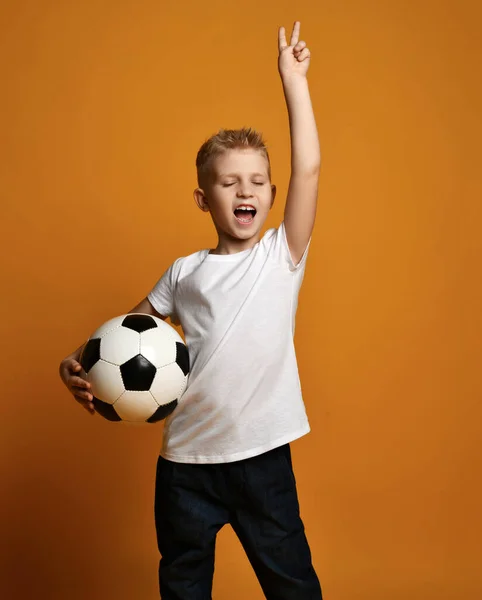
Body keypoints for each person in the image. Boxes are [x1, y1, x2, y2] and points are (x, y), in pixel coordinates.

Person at [59, 21, 322, 600]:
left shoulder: (282, 255)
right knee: (181, 582)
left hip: (262, 461)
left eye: (256, 182)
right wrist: (73, 365)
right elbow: (122, 335)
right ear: (205, 199)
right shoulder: (184, 272)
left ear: (273, 197)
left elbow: (308, 169)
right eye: (229, 183)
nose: (245, 191)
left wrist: (293, 83)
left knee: (292, 583)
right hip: (185, 464)